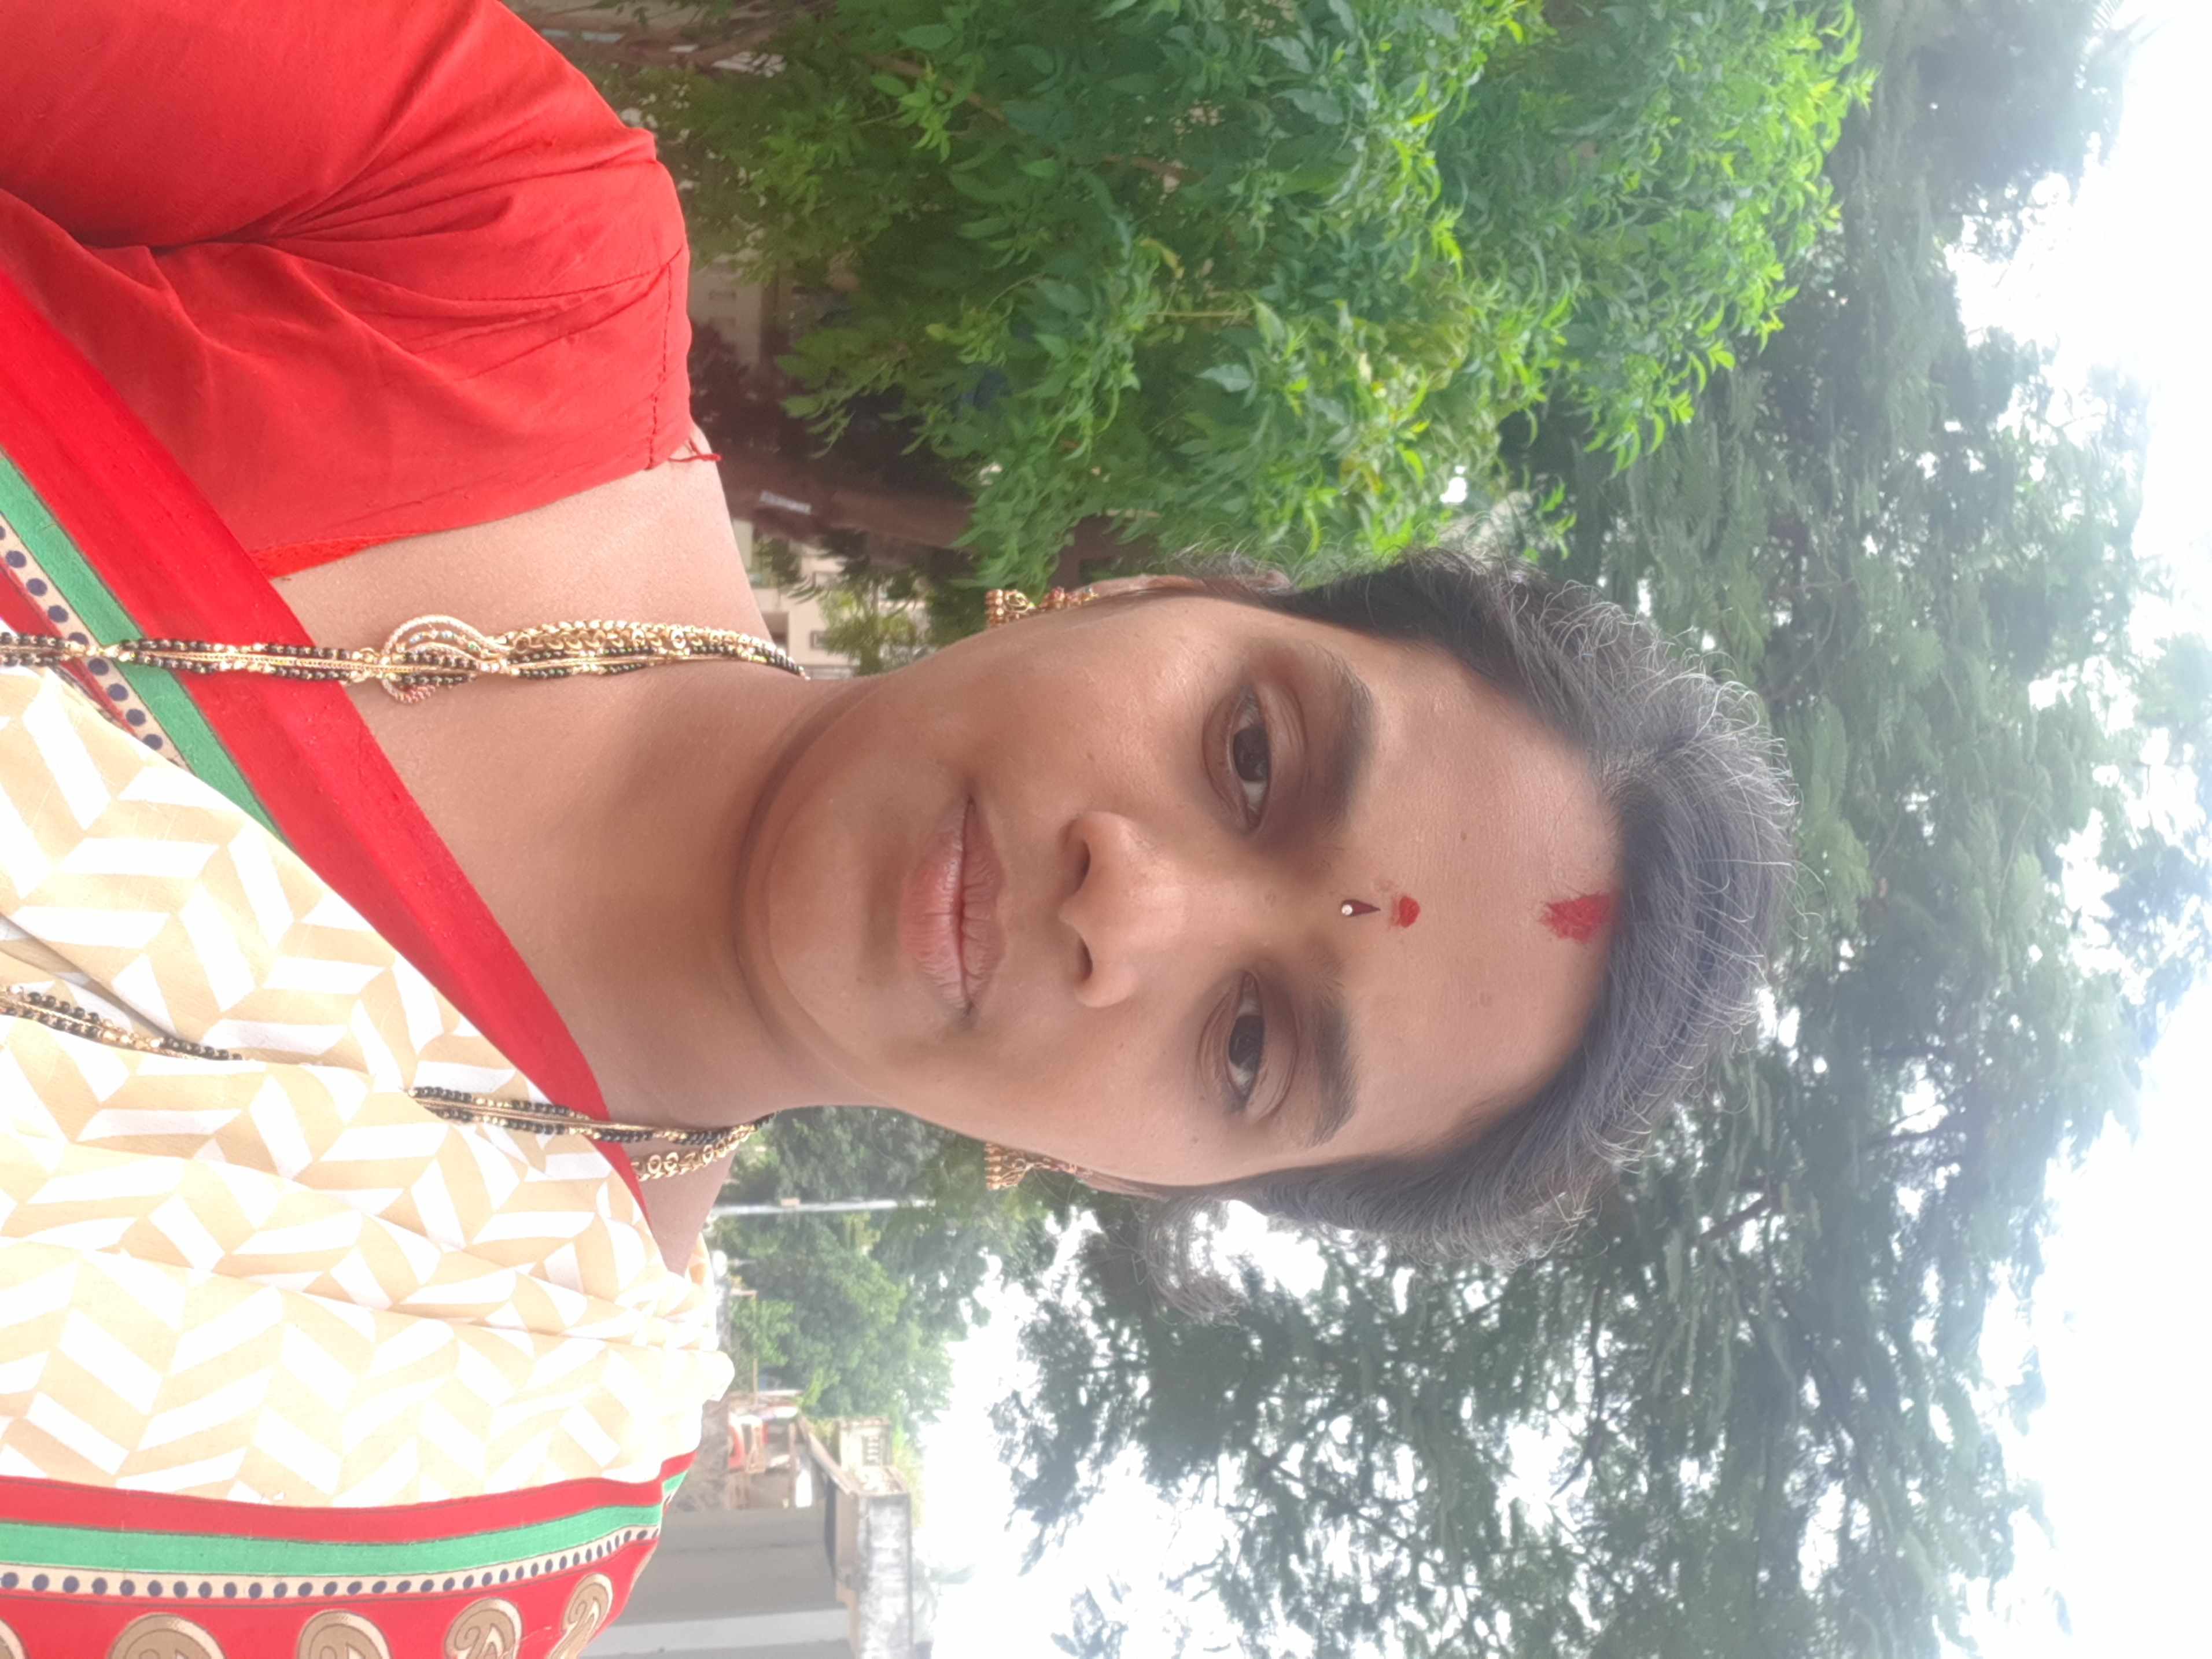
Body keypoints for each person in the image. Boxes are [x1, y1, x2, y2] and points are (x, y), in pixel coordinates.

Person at [0, 2, 1793, 1654]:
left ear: (1144, 1174)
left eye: (1248, 1043)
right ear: (1150, 591)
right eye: (1251, 754)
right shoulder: (502, 254)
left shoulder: (469, 1500)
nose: (1129, 906)